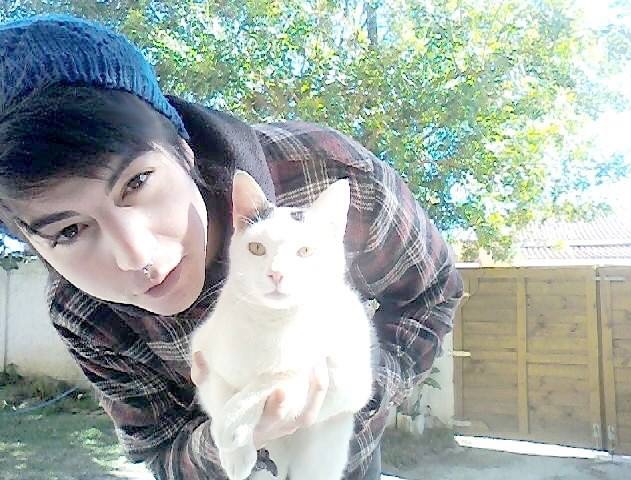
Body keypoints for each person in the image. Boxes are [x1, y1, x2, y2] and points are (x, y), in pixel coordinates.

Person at [0, 14, 463, 480]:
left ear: (183, 149)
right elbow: (160, 448)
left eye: (137, 183)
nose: (137, 256)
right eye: (69, 231)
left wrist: (349, 401)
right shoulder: (82, 310)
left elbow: (431, 293)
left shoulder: (327, 178)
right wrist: (235, 436)